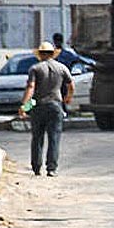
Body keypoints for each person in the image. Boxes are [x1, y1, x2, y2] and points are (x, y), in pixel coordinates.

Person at [19, 41, 74, 177]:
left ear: (40, 54)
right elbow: (71, 85)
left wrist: (24, 106)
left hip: (37, 105)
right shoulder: (61, 68)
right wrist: (67, 98)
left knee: (37, 137)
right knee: (54, 138)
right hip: (55, 105)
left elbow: (31, 88)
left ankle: (36, 167)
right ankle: (51, 168)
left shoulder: (35, 69)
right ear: (52, 54)